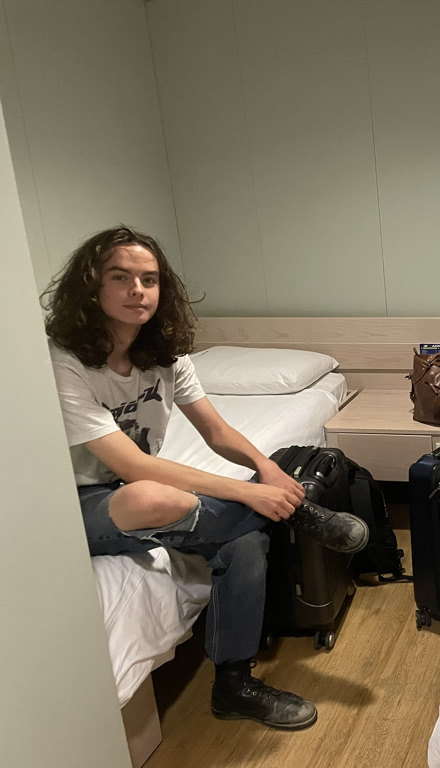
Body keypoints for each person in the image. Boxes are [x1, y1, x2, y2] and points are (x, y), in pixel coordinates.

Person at [42, 225, 369, 730]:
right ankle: (297, 514)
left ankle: (233, 685)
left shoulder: (168, 358)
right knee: (157, 496)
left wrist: (266, 467)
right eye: (120, 277)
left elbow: (215, 430)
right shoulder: (65, 363)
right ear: (91, 286)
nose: (137, 290)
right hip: (75, 504)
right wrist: (251, 493)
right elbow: (131, 466)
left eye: (149, 280)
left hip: (131, 491)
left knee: (242, 543)